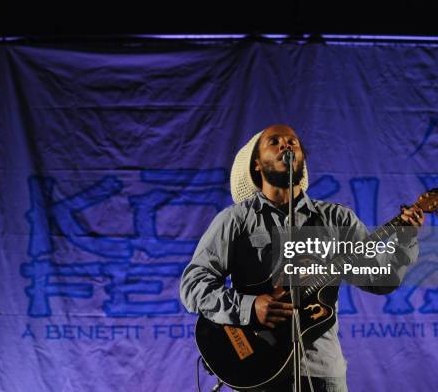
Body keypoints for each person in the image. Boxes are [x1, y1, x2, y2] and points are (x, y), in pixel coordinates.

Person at [180, 125, 425, 392]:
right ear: (257, 165)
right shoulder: (236, 220)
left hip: (322, 374)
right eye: (274, 142)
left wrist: (405, 238)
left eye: (292, 141)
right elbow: (193, 286)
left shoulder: (337, 220)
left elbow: (381, 281)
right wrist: (250, 307)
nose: (286, 145)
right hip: (259, 372)